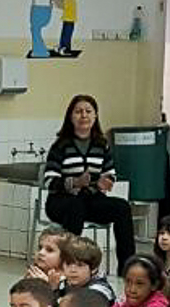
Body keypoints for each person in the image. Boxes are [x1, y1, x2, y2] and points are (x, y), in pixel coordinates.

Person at [41, 94, 134, 261]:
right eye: (78, 112)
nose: (84, 116)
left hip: (90, 198)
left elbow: (110, 172)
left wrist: (106, 182)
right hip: (62, 201)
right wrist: (74, 182)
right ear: (71, 117)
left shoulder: (102, 144)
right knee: (75, 206)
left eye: (88, 111)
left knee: (122, 208)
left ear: (95, 116)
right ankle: (69, 261)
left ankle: (128, 265)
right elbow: (49, 180)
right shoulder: (60, 145)